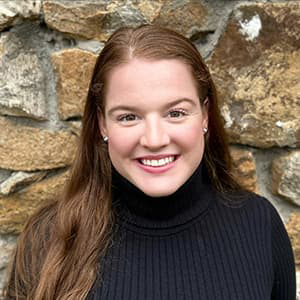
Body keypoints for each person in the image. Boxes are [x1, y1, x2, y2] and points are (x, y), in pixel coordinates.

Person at [4, 25, 296, 300]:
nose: (154, 139)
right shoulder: (48, 239)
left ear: (205, 116)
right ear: (103, 125)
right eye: (129, 117)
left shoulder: (258, 225)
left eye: (176, 113)